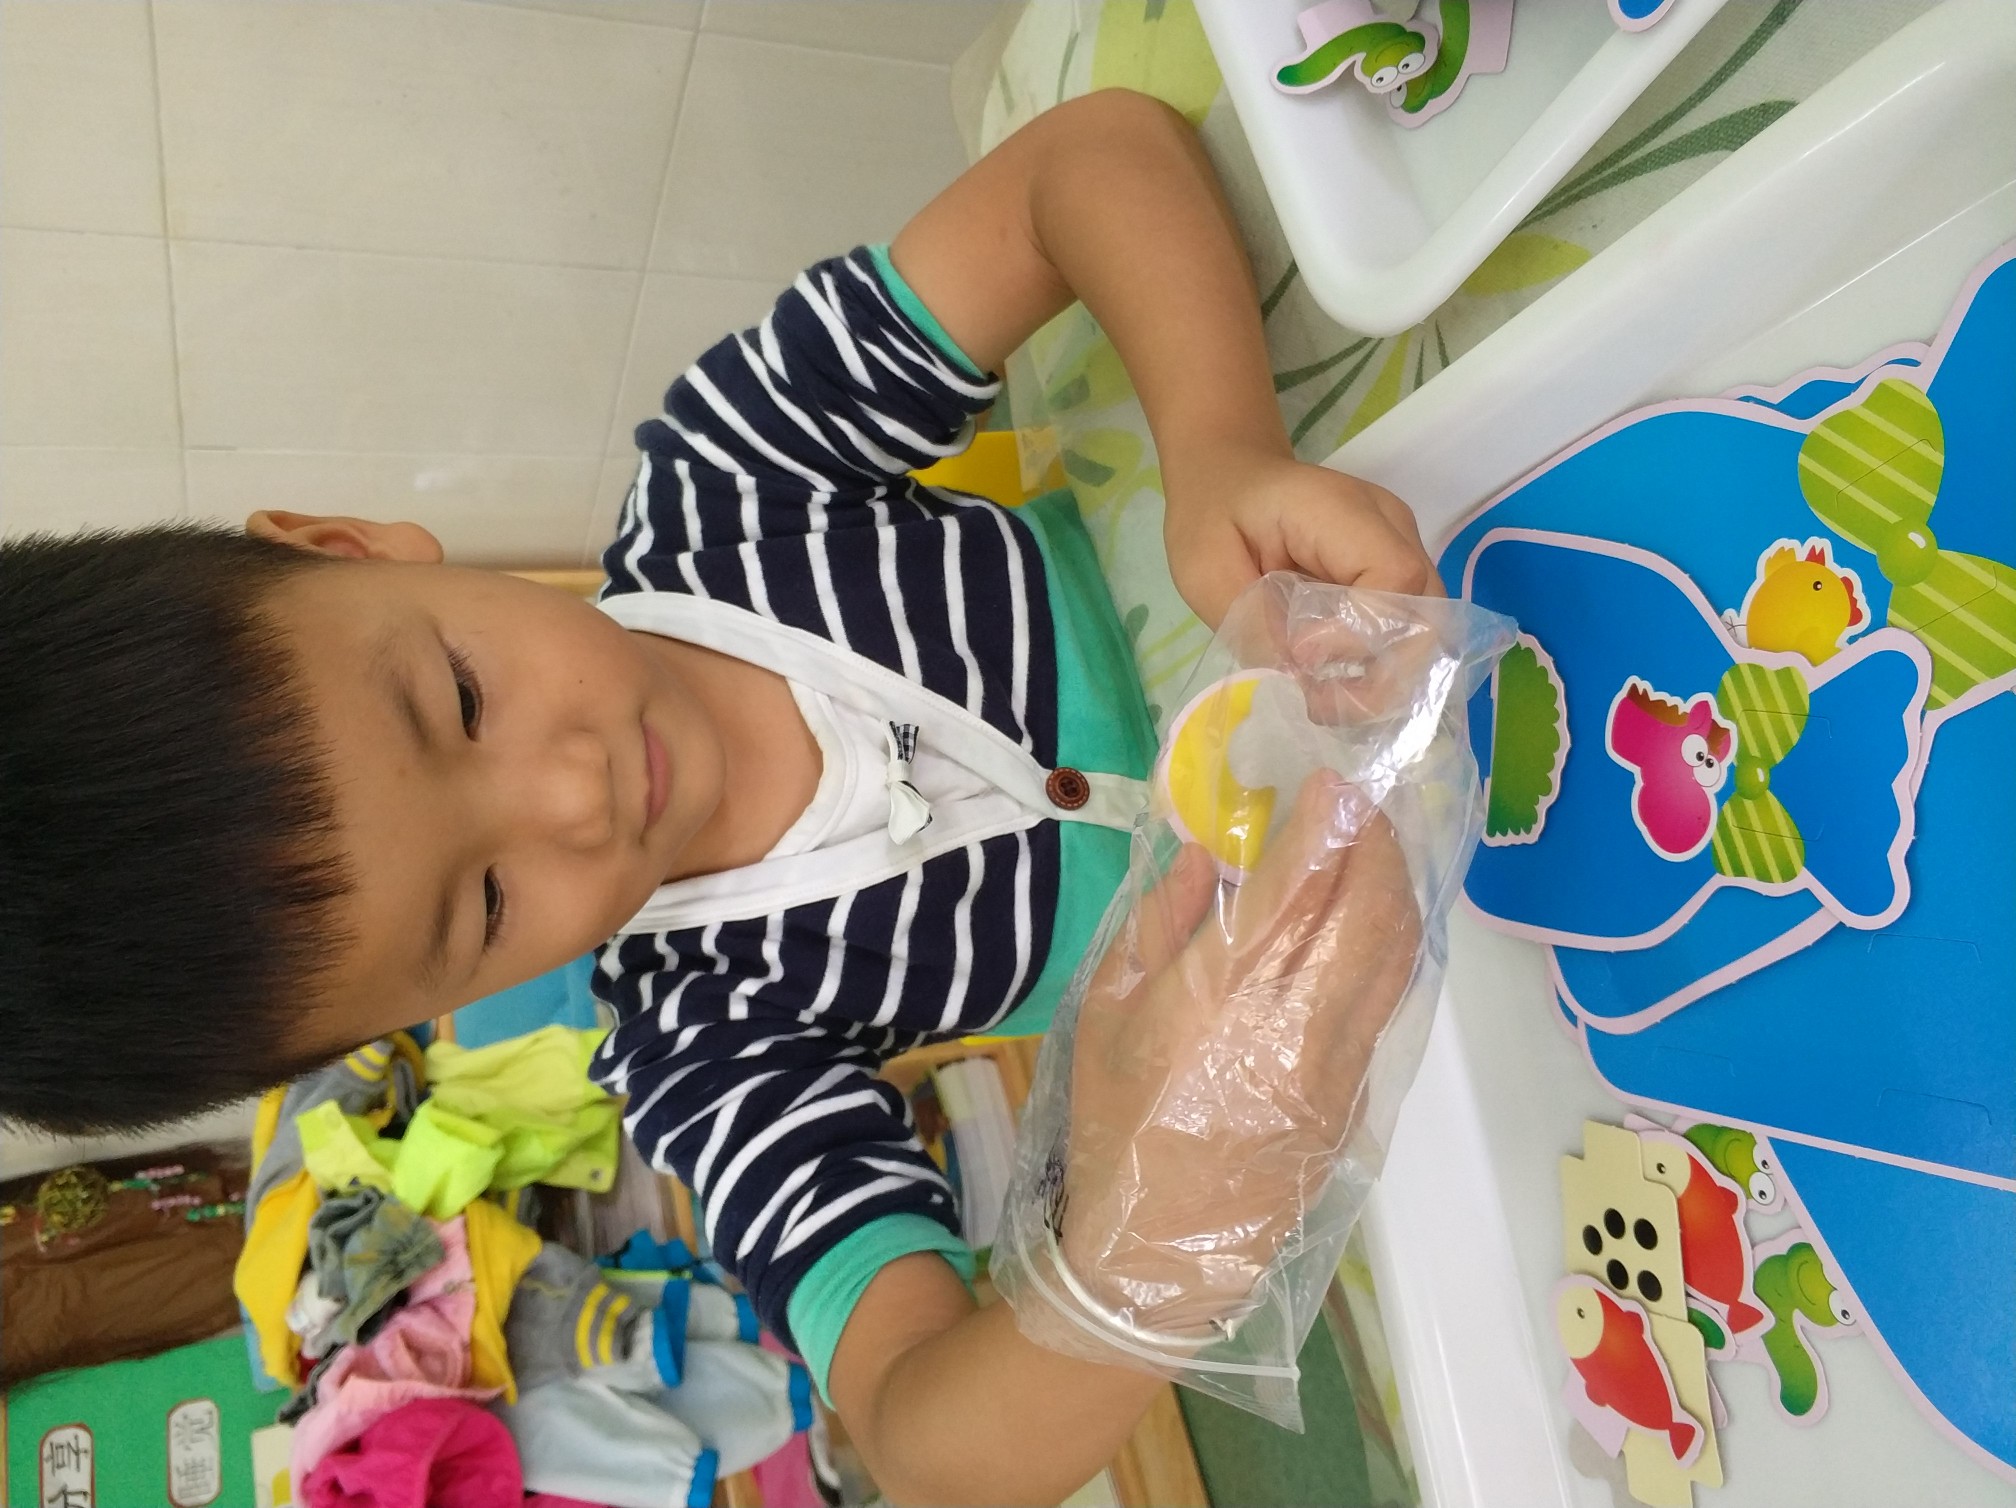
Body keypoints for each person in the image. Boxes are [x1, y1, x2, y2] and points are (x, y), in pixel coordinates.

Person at [1, 90, 1434, 1502]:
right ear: (424, 1016)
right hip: (1409, 961)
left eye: (462, 701)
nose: (574, 796)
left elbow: (1092, 162)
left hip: (1402, 534)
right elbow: (922, 1435)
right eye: (485, 905)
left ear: (350, 548)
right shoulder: (706, 1043)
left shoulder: (730, 485)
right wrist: (1134, 1240)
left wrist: (1219, 447)